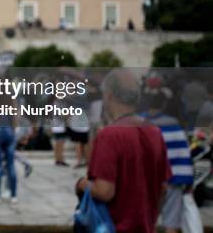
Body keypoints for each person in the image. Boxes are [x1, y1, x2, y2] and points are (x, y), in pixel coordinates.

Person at [75, 69, 171, 233]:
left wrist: (81, 184)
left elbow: (105, 191)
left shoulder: (109, 135)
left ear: (109, 95)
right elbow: (163, 187)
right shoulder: (154, 132)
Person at [142, 87, 194, 233]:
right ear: (164, 105)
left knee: (147, 221)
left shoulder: (139, 123)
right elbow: (183, 154)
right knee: (171, 222)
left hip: (147, 182)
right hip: (173, 180)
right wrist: (189, 181)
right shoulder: (173, 124)